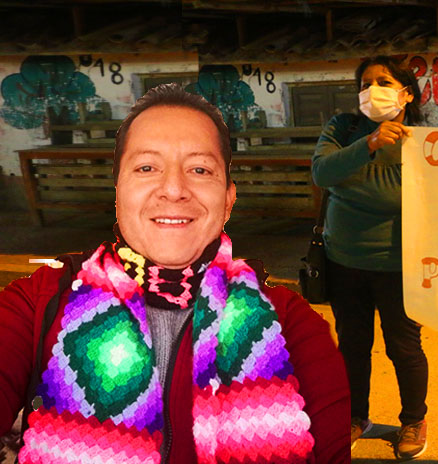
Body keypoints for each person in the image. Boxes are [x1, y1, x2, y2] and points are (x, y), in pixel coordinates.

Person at [0, 83, 351, 464]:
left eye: (200, 169)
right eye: (146, 168)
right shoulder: (39, 303)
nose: (173, 189)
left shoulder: (291, 326)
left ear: (228, 199)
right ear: (118, 193)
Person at [311, 56, 429, 460]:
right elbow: (322, 174)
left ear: (406, 93)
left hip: (399, 265)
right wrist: (369, 145)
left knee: (404, 348)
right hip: (344, 261)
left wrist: (351, 182)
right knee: (352, 346)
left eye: (383, 81)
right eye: (365, 83)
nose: (372, 89)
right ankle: (354, 417)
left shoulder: (424, 141)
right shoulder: (344, 128)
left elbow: (400, 196)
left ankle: (413, 419)